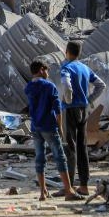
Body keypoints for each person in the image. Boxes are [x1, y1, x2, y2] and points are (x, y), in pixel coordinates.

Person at [25, 59, 81, 201]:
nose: (48, 73)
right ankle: (68, 190)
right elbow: (58, 109)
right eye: (47, 70)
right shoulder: (49, 86)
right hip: (49, 125)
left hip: (35, 126)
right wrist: (61, 127)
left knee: (40, 158)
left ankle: (43, 192)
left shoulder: (29, 87)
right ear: (42, 70)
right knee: (60, 157)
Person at [59, 40, 107, 196]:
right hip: (84, 109)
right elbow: (101, 85)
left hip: (70, 110)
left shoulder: (66, 68)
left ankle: (70, 186)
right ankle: (84, 185)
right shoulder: (85, 68)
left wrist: (68, 99)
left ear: (67, 52)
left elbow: (66, 85)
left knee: (70, 147)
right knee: (82, 147)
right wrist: (90, 100)